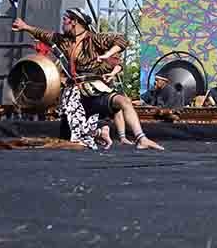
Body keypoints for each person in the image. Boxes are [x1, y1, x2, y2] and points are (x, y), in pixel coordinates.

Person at [12, 9, 163, 151]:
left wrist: (106, 54)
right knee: (71, 138)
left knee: (124, 102)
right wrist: (25, 27)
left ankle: (141, 138)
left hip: (93, 89)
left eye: (65, 20)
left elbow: (122, 41)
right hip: (74, 94)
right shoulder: (63, 40)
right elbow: (43, 34)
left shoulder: (93, 39)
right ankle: (100, 133)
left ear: (74, 22)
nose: (62, 23)